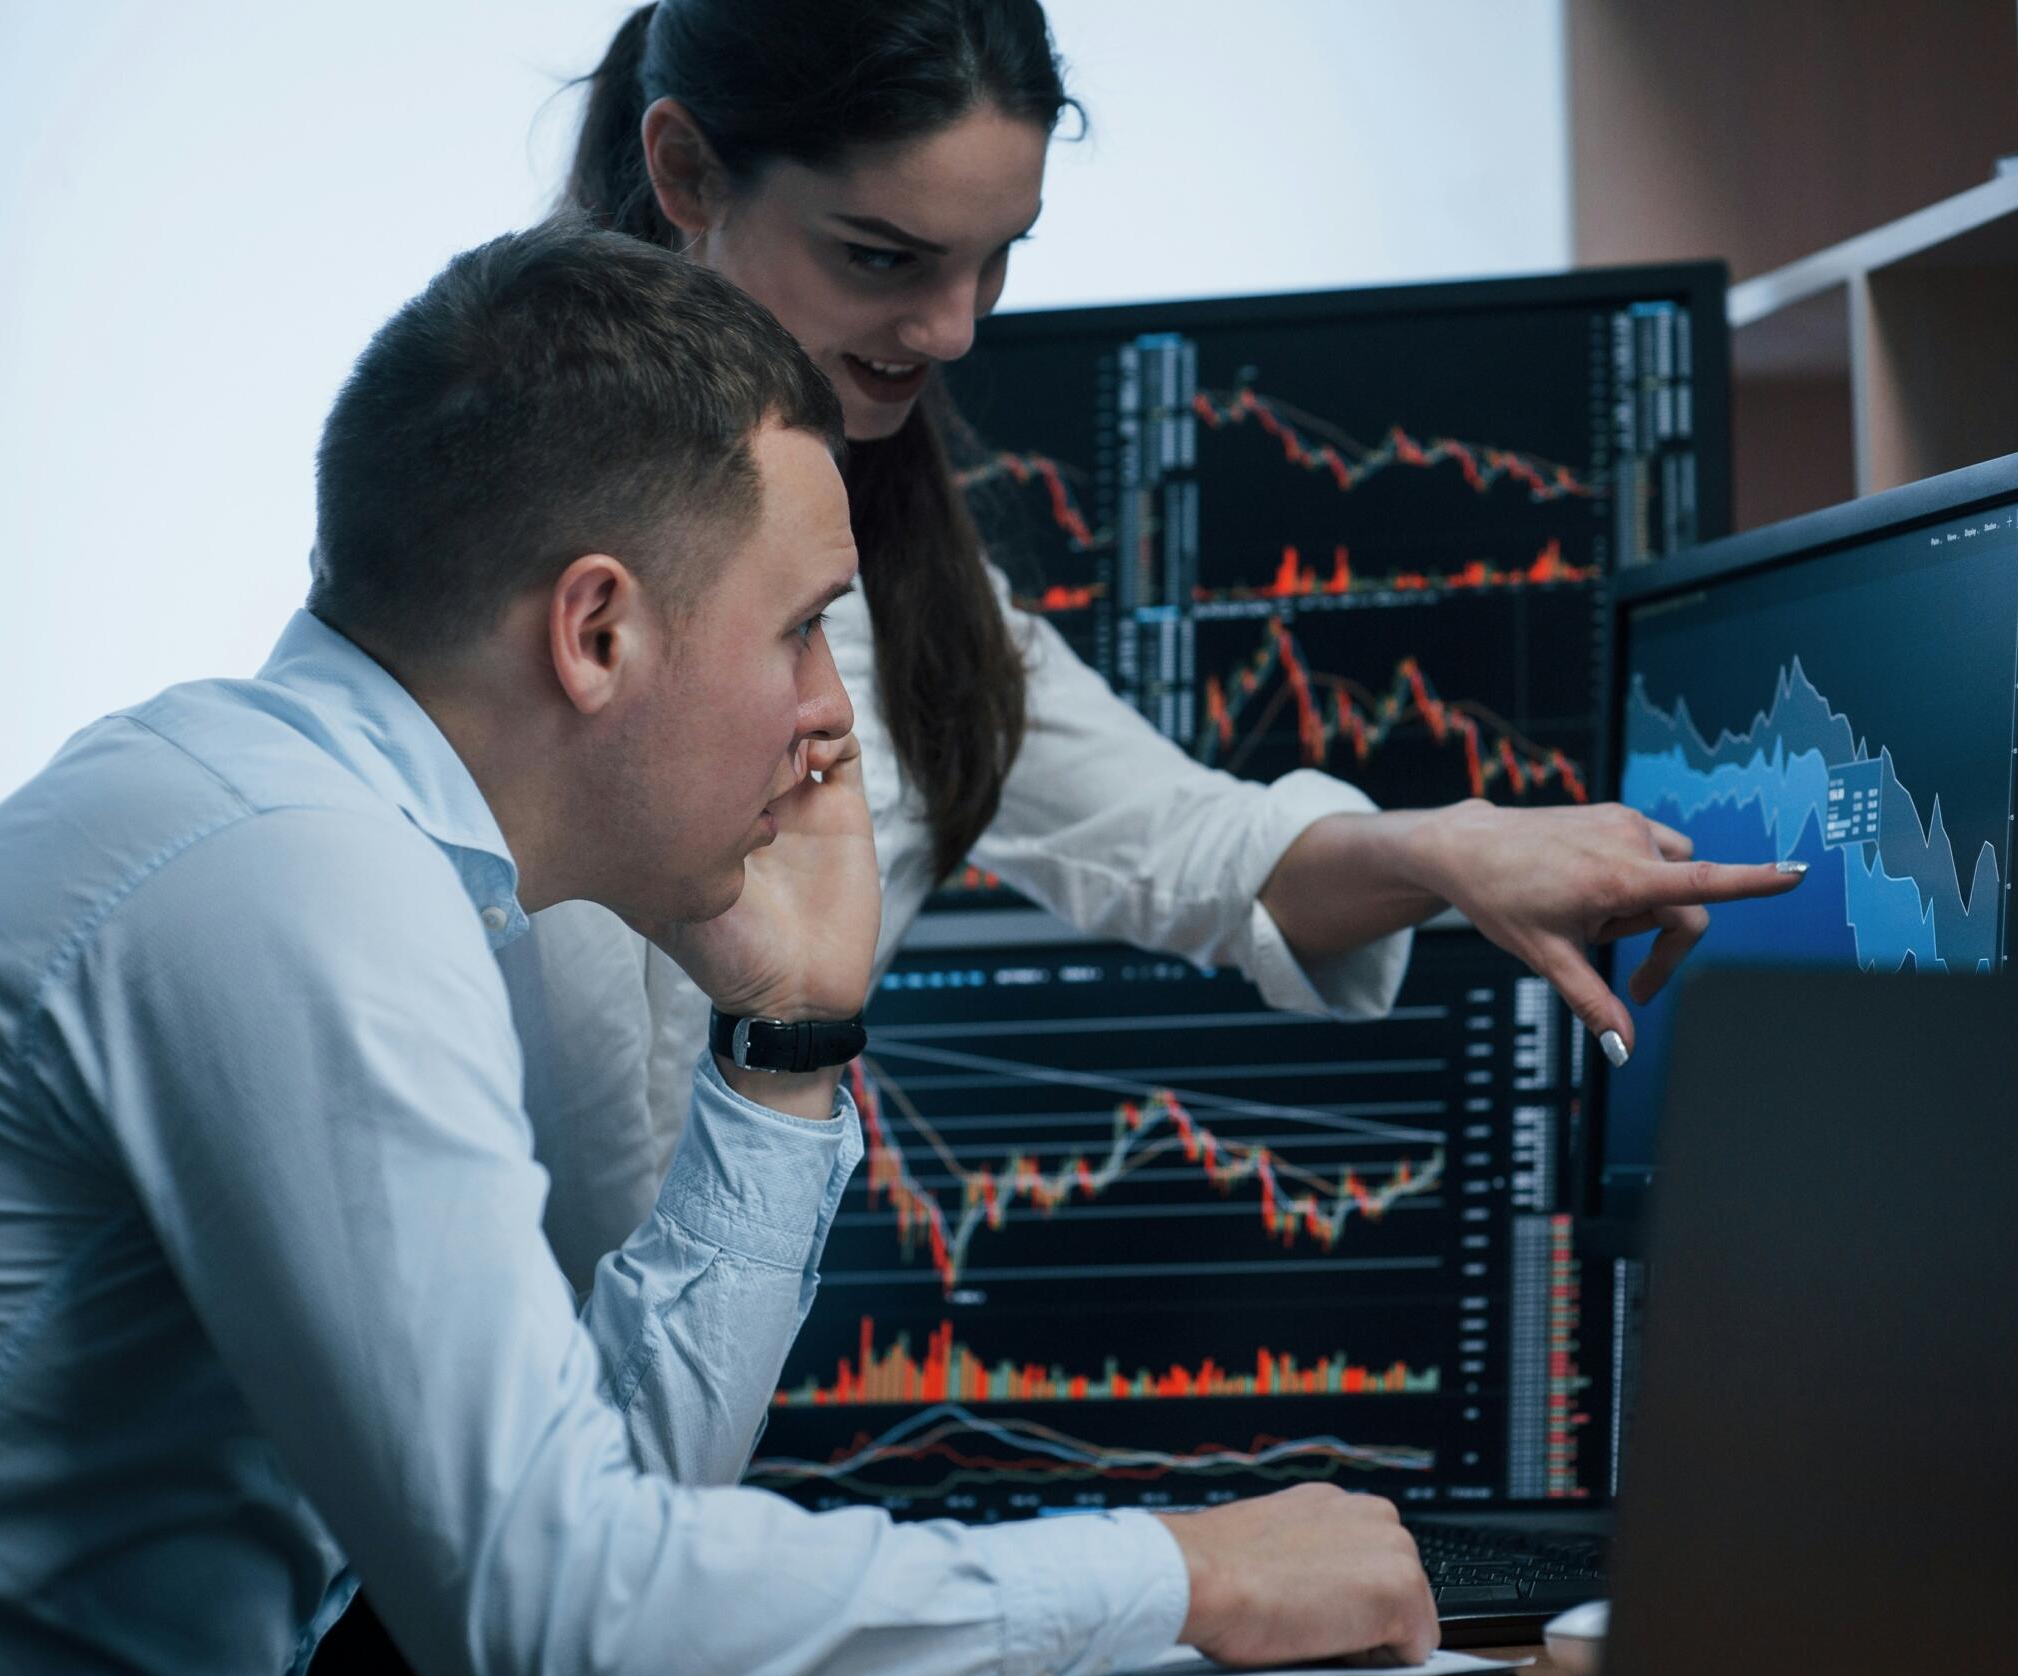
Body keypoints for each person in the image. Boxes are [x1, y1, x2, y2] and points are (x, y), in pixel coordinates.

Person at [0, 221, 1434, 1676]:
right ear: (596, 631)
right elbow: (568, 1632)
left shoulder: (335, 840)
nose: (826, 718)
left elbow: (601, 1514)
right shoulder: (301, 887)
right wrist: (1195, 1573)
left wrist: (786, 1037)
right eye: (799, 632)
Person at [519, 0, 1803, 1290]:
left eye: (996, 257)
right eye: (882, 258)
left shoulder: (900, 563)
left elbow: (1181, 843)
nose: (957, 330)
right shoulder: (502, 562)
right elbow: (571, 1238)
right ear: (685, 170)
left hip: (654, 1406)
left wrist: (1447, 848)